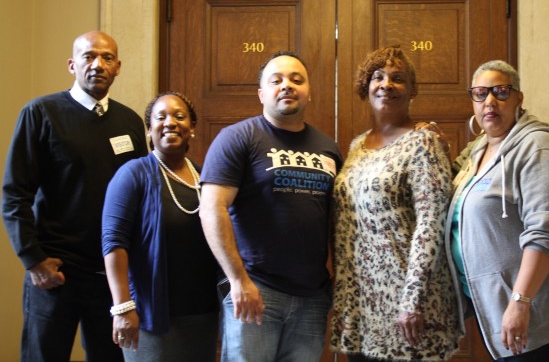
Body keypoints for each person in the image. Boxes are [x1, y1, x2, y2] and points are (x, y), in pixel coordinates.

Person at [2, 30, 148, 362]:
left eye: (107, 58)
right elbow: (15, 194)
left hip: (109, 275)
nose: (98, 64)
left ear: (118, 67)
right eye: (89, 56)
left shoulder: (130, 122)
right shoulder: (41, 113)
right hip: (55, 274)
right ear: (72, 64)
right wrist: (33, 259)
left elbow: (141, 196)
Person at [198, 51, 343, 362]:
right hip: (256, 290)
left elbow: (338, 221)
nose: (287, 86)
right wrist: (238, 280)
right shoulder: (238, 138)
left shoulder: (329, 148)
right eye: (276, 80)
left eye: (296, 79)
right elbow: (212, 209)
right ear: (262, 93)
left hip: (313, 297)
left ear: (309, 91)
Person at [330, 46, 462, 361]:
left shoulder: (423, 142)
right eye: (378, 77)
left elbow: (431, 223)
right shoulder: (356, 146)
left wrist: (411, 300)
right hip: (361, 306)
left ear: (412, 89)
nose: (386, 84)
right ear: (367, 85)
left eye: (397, 78)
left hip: (408, 307)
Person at [445, 60, 549, 361]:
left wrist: (521, 301)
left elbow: (546, 234)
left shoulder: (540, 149)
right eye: (481, 93)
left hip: (526, 307)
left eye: (501, 92)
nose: (490, 101)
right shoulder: (480, 149)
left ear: (519, 98)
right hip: (489, 303)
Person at [102, 92, 219, 361]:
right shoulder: (132, 174)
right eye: (161, 117)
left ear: (192, 128)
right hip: (149, 314)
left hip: (202, 314)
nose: (170, 122)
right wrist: (122, 307)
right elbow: (113, 243)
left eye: (180, 116)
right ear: (149, 127)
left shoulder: (205, 177)